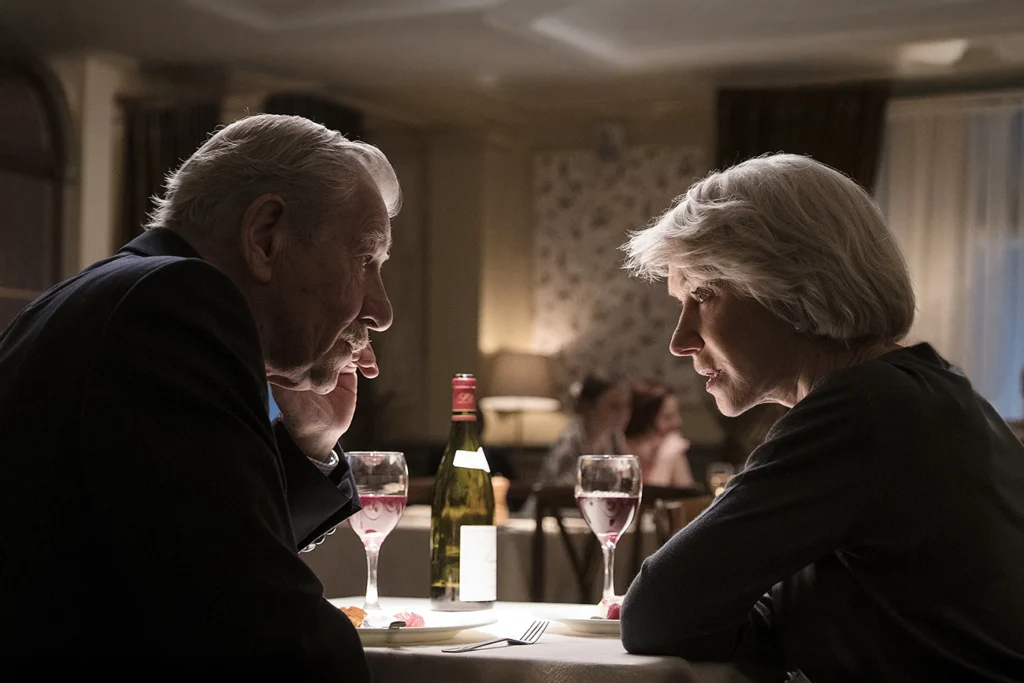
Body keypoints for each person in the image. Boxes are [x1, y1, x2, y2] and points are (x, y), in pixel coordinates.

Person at [0, 114, 400, 678]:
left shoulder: (111, 293)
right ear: (266, 236)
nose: (382, 312)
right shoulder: (171, 303)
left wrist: (308, 444)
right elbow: (261, 630)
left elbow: (186, 556)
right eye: (364, 261)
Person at [619, 154, 1024, 682]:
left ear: (791, 286)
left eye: (703, 295)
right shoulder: (932, 392)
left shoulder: (864, 409)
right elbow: (811, 616)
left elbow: (658, 612)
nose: (680, 340)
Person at [537, 374, 632, 487]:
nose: (624, 413)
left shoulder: (614, 438)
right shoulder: (571, 440)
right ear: (590, 407)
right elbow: (556, 487)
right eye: (614, 406)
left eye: (627, 405)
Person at [623, 379, 695, 488]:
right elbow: (641, 497)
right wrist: (665, 461)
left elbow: (689, 496)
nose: (678, 422)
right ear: (643, 421)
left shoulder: (671, 449)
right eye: (668, 417)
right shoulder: (618, 450)